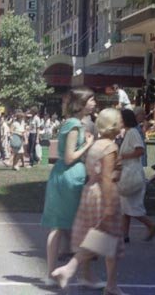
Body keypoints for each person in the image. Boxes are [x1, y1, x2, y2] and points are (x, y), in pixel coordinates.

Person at [51, 108, 124, 294]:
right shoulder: (110, 147)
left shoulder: (96, 145)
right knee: (105, 239)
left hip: (90, 192)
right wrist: (109, 205)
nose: (122, 124)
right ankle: (70, 269)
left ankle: (110, 284)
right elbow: (106, 178)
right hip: (103, 194)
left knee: (104, 240)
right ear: (113, 125)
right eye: (120, 120)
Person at [41, 87, 96, 286]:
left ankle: (58, 273)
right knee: (76, 226)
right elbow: (69, 157)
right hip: (69, 178)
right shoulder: (74, 125)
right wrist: (88, 144)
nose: (94, 103)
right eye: (91, 100)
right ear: (81, 103)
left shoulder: (74, 123)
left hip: (66, 177)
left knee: (62, 226)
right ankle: (80, 275)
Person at [118, 109, 155, 243]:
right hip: (130, 172)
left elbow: (140, 150)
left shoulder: (132, 133)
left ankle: (150, 225)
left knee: (131, 206)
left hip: (132, 172)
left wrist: (122, 157)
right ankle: (125, 234)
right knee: (127, 206)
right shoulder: (130, 133)